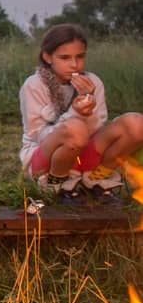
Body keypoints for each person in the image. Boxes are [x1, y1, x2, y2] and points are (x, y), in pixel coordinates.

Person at [19, 23, 143, 201]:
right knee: (76, 129)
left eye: (80, 56)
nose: (74, 65)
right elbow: (38, 135)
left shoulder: (93, 82)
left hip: (83, 156)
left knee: (137, 124)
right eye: (65, 58)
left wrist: (88, 104)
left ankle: (96, 179)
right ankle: (56, 184)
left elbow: (97, 130)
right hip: (46, 160)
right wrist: (76, 113)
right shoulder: (34, 85)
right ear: (48, 57)